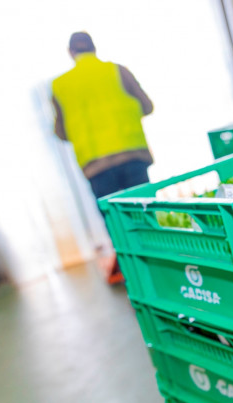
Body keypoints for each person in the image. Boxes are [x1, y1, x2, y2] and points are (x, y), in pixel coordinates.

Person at [52, 32, 153, 283]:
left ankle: (135, 275)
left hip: (96, 164)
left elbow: (61, 132)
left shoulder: (60, 86)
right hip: (132, 154)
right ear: (94, 48)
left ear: (70, 53)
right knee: (144, 212)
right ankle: (159, 266)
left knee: (116, 221)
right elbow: (147, 106)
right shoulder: (117, 71)